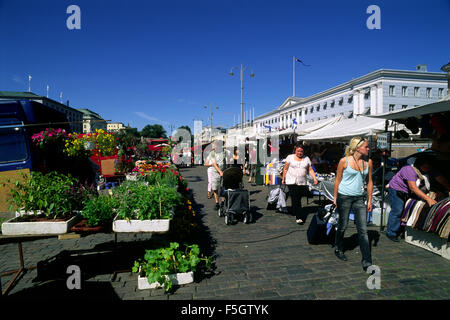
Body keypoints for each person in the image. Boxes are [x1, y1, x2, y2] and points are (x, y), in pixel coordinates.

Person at [333, 137, 373, 271]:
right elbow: (337, 180)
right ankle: (338, 248)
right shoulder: (344, 161)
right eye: (366, 147)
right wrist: (335, 197)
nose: (368, 149)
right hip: (344, 197)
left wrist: (370, 199)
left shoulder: (368, 162)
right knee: (343, 225)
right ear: (357, 148)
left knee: (363, 230)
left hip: (359, 199)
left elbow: (370, 182)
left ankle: (367, 260)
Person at [385, 155, 437, 242]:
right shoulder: (409, 170)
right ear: (420, 165)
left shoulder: (425, 171)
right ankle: (391, 233)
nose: (428, 169)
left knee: (407, 209)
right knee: (397, 210)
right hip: (396, 189)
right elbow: (413, 187)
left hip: (407, 191)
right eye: (426, 166)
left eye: (429, 167)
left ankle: (401, 229)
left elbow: (440, 179)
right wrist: (428, 199)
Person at [282, 143, 318, 224]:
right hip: (291, 180)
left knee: (298, 198)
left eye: (301, 151)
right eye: (298, 151)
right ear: (295, 151)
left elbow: (310, 169)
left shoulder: (306, 158)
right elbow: (285, 169)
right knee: (295, 198)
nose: (300, 153)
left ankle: (295, 210)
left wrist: (314, 178)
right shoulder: (290, 157)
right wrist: (283, 178)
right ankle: (299, 217)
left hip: (302, 182)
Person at [209, 140, 226, 210]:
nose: (213, 146)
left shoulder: (224, 152)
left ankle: (222, 202)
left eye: (214, 145)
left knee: (223, 188)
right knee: (215, 188)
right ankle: (217, 203)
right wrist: (220, 171)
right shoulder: (212, 153)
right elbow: (214, 164)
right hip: (215, 172)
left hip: (224, 172)